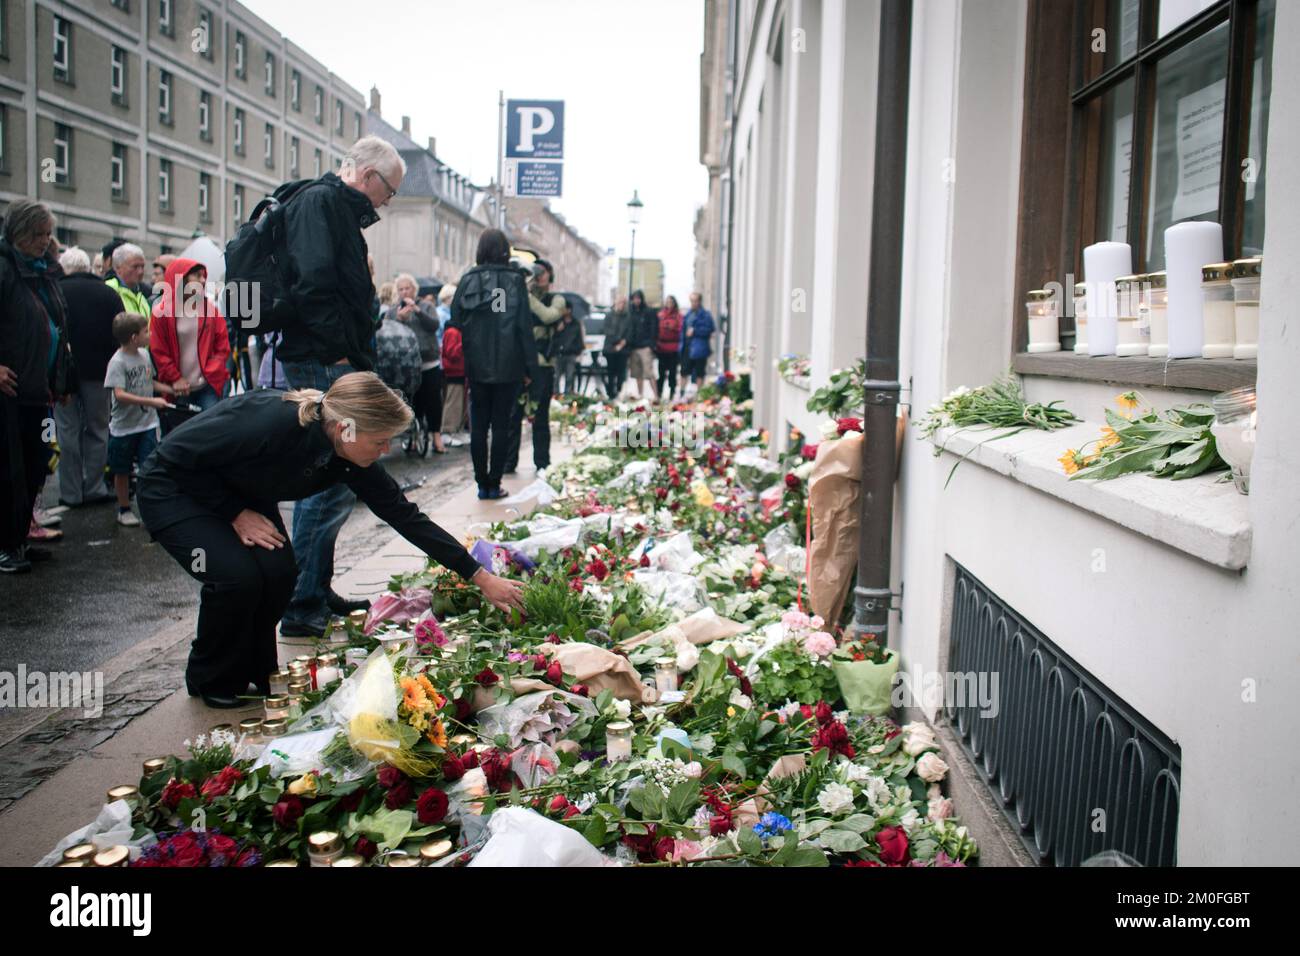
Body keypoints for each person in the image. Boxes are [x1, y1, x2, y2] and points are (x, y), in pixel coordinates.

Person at [137, 373, 525, 708]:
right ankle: (209, 675)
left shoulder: (349, 453)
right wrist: (233, 513)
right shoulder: (268, 422)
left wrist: (479, 576)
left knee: (279, 572)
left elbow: (405, 517)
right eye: (381, 441)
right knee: (236, 576)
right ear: (346, 429)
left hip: (237, 495)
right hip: (175, 489)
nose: (385, 450)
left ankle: (255, 669)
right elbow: (173, 458)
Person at [273, 135, 405, 637]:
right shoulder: (319, 203)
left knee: (333, 480)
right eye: (388, 191)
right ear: (368, 177)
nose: (386, 202)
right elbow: (314, 286)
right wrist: (340, 356)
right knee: (326, 483)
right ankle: (300, 602)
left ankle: (315, 586)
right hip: (325, 361)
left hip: (334, 358)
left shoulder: (335, 208)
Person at [0, 200, 75, 573]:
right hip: (11, 392)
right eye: (40, 234)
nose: (46, 241)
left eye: (49, 234)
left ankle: (19, 538)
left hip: (40, 392)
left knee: (37, 463)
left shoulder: (44, 271)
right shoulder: (5, 269)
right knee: (9, 470)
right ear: (20, 234)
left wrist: (62, 379)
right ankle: (6, 545)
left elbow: (58, 330)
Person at [449, 229, 536, 499]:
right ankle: (493, 481)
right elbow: (523, 325)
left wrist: (476, 334)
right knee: (501, 425)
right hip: (509, 365)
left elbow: (455, 317)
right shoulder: (515, 280)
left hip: (478, 362)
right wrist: (530, 367)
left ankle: (481, 483)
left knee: (479, 425)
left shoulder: (469, 279)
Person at [54, 246, 120, 508]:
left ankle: (70, 493)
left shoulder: (56, 290)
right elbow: (119, 330)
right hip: (99, 373)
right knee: (98, 430)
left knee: (67, 430)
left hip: (63, 375)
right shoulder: (107, 293)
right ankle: (94, 487)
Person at [103, 312, 173, 527]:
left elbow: (149, 382)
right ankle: (124, 509)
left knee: (149, 467)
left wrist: (170, 390)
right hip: (124, 427)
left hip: (147, 424)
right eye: (146, 331)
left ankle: (151, 509)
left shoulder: (144, 355)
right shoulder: (117, 362)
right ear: (134, 337)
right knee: (122, 470)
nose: (149, 334)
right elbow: (120, 394)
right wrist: (152, 402)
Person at [149, 258, 231, 422]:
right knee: (180, 438)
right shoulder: (162, 312)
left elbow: (222, 347)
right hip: (177, 390)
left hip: (207, 387)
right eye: (197, 276)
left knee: (211, 433)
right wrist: (175, 378)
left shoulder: (210, 311)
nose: (203, 280)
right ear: (182, 278)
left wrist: (210, 373)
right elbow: (159, 350)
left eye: (203, 276)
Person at [504, 259, 565, 475]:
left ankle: (542, 463)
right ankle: (508, 462)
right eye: (535, 271)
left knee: (540, 417)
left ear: (550, 275)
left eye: (543, 271)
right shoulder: (516, 296)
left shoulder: (556, 299)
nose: (538, 275)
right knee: (513, 415)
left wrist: (526, 296)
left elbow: (550, 316)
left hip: (542, 365)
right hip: (519, 365)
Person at [389, 273, 445, 454]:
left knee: (434, 400)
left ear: (415, 289)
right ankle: (413, 436)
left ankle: (436, 435)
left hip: (429, 361)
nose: (405, 291)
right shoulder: (393, 310)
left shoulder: (426, 306)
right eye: (401, 289)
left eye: (408, 288)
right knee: (414, 401)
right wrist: (399, 319)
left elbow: (434, 325)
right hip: (406, 365)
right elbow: (387, 331)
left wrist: (418, 312)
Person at [436, 284, 466, 444]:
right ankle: (448, 431)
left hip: (460, 371)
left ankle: (456, 430)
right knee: (453, 402)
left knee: (459, 402)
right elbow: (452, 352)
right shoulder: (453, 331)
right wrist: (466, 343)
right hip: (454, 371)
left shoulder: (455, 330)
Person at [625, 289, 658, 400]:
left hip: (646, 347)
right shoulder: (630, 313)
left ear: (642, 299)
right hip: (633, 347)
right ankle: (640, 395)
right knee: (637, 373)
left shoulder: (649, 312)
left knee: (649, 373)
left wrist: (651, 345)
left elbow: (654, 329)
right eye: (634, 299)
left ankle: (656, 396)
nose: (636, 301)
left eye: (638, 298)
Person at [105, 243, 151, 321]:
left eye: (142, 266)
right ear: (118, 268)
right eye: (135, 267)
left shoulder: (142, 296)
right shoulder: (108, 291)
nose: (140, 271)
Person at [681, 292, 716, 394]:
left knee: (699, 372)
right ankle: (682, 393)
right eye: (692, 301)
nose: (693, 303)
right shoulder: (688, 315)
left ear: (699, 301)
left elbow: (710, 329)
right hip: (687, 347)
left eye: (695, 301)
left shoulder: (706, 315)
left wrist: (695, 331)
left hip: (700, 348)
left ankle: (699, 394)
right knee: (684, 371)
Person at [552, 299, 585, 396]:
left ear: (569, 310)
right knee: (556, 376)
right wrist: (557, 330)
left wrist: (578, 351)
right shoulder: (558, 322)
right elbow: (552, 337)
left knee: (570, 376)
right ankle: (556, 395)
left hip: (571, 354)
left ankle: (568, 395)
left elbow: (579, 339)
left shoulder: (576, 323)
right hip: (559, 353)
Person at [655, 295, 684, 401]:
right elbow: (656, 329)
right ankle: (659, 393)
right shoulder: (660, 315)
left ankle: (672, 393)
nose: (669, 303)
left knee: (672, 372)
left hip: (673, 348)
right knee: (661, 373)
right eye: (667, 301)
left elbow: (680, 329)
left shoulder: (678, 316)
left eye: (671, 301)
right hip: (661, 348)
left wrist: (671, 328)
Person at [602, 294, 629, 399]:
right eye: (620, 302)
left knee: (621, 372)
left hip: (623, 349)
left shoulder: (627, 317)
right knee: (611, 372)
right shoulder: (609, 315)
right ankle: (610, 393)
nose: (621, 305)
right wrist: (618, 341)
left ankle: (619, 390)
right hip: (610, 348)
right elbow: (607, 331)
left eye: (623, 303)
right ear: (615, 303)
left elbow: (629, 331)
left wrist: (623, 343)